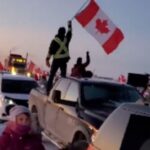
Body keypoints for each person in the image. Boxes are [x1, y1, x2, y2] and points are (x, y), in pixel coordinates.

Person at [46, 20, 72, 95]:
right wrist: (69, 25)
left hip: (56, 60)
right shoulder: (66, 40)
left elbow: (50, 51)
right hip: (64, 61)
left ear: (58, 32)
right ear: (64, 33)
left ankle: (48, 90)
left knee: (51, 76)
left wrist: (47, 60)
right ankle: (62, 92)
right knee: (63, 77)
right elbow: (69, 33)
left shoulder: (54, 41)